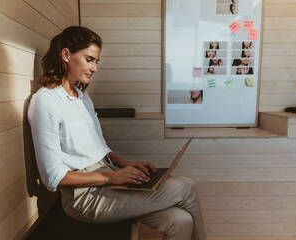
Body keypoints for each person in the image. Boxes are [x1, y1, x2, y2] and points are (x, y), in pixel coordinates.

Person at [28, 26, 206, 240]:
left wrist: (125, 165)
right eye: (89, 59)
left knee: (180, 221)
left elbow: (100, 148)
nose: (94, 68)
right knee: (186, 186)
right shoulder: (45, 101)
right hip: (84, 198)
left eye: (96, 62)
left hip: (108, 178)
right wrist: (111, 177)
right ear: (66, 55)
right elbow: (52, 178)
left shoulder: (82, 97)